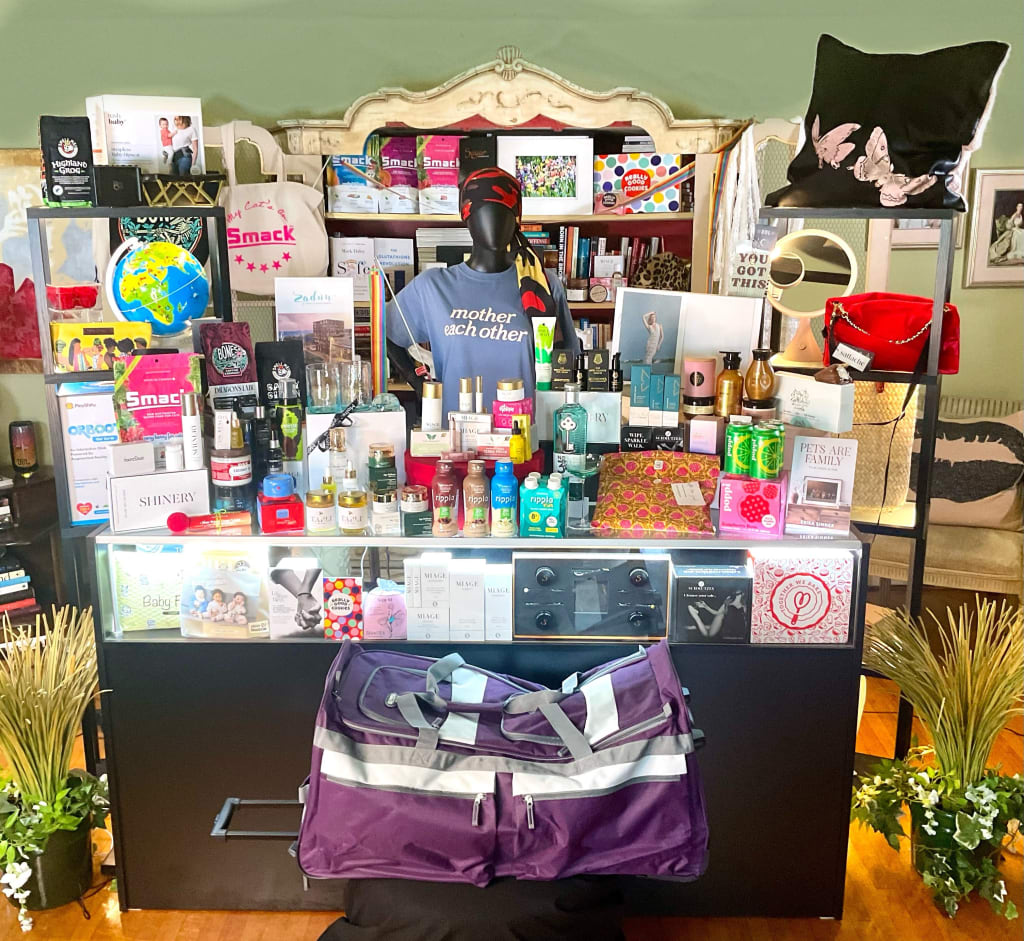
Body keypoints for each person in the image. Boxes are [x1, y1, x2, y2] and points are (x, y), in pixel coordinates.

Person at [386, 167, 579, 422]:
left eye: (503, 215)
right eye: (483, 213)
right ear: (467, 217)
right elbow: (385, 333)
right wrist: (419, 383)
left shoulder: (542, 285)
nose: (494, 224)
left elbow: (565, 360)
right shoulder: (432, 287)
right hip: (457, 434)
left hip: (524, 434)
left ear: (516, 220)